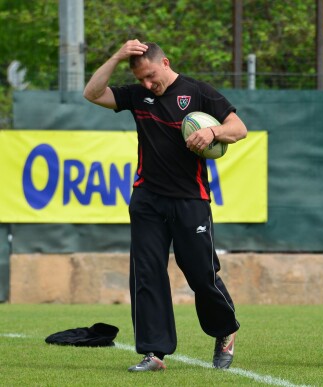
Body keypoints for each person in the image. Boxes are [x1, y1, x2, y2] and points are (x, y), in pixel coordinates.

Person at [83, 40, 247, 372]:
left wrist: (213, 131)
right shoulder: (136, 95)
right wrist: (116, 56)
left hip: (191, 199)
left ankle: (225, 331)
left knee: (201, 274)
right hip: (147, 199)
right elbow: (92, 92)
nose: (147, 84)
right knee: (146, 275)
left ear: (166, 63)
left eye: (151, 75)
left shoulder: (198, 92)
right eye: (140, 78)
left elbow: (239, 129)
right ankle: (154, 353)